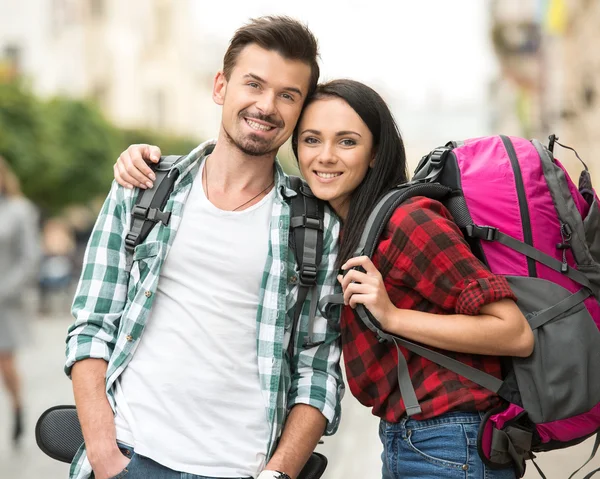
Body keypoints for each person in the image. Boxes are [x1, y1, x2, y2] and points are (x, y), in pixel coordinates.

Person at [117, 79, 535, 479]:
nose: (326, 156)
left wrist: (392, 317)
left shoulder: (409, 220)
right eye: (312, 139)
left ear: (375, 153)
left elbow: (514, 332)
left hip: (451, 439)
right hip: (411, 438)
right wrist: (142, 159)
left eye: (347, 142)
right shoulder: (338, 225)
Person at [66, 16, 343, 479]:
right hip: (132, 456)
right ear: (221, 86)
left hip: (242, 468)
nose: (266, 105)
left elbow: (318, 372)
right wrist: (104, 456)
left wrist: (278, 474)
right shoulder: (143, 188)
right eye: (253, 84)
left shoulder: (314, 225)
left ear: (299, 113)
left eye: (288, 95)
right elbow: (93, 322)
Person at [0, 155, 40, 447]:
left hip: (6, 301)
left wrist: (4, 290)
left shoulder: (19, 209)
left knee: (5, 362)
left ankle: (17, 408)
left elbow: (30, 259)